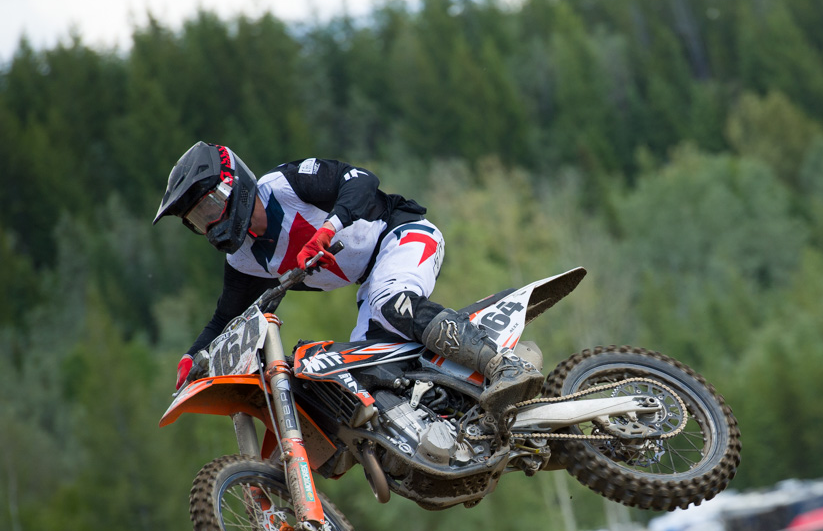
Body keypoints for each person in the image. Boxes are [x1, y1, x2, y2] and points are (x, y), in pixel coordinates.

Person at [153, 142, 542, 420]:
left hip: (401, 234)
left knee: (393, 303)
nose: (209, 225)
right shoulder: (243, 259)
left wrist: (327, 229)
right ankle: (455, 416)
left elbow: (362, 180)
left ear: (232, 184)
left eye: (208, 208)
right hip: (370, 282)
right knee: (362, 376)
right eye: (197, 220)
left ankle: (504, 365)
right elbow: (225, 319)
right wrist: (190, 358)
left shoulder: (285, 185)